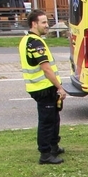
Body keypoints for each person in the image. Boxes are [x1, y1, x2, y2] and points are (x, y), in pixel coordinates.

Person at [18, 9, 67, 165]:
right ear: (34, 24)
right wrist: (60, 87)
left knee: (53, 118)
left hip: (41, 87)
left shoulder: (27, 39)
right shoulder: (36, 43)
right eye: (44, 22)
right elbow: (46, 69)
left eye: (47, 22)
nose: (47, 25)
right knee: (47, 121)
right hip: (43, 88)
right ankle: (45, 154)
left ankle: (54, 146)